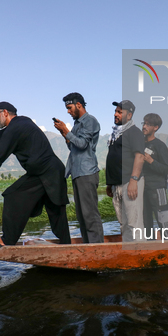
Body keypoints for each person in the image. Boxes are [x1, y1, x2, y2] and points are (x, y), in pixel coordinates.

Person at [0, 102, 71, 247]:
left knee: (14, 197)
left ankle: (7, 241)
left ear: (5, 112)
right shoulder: (21, 122)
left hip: (47, 172)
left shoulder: (14, 129)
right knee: (55, 212)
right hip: (48, 171)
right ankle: (67, 246)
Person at [53, 92, 104, 243]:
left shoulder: (90, 121)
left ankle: (97, 248)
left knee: (90, 214)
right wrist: (64, 133)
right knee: (82, 215)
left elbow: (82, 145)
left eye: (69, 108)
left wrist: (67, 131)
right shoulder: (77, 125)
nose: (68, 111)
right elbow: (73, 147)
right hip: (77, 173)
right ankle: (89, 246)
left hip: (87, 172)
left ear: (79, 105)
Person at [105, 100, 145, 242]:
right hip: (117, 185)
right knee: (123, 224)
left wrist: (134, 180)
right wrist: (110, 184)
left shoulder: (134, 132)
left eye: (119, 112)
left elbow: (140, 156)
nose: (115, 114)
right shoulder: (115, 134)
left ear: (129, 115)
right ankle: (130, 253)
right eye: (116, 111)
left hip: (130, 182)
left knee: (134, 223)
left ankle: (141, 253)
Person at [141, 113, 168, 239]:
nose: (144, 126)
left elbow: (166, 169)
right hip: (143, 188)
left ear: (156, 128)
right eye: (144, 123)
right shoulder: (140, 144)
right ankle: (150, 249)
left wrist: (151, 161)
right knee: (145, 221)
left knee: (163, 220)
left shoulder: (160, 145)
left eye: (148, 124)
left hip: (158, 189)